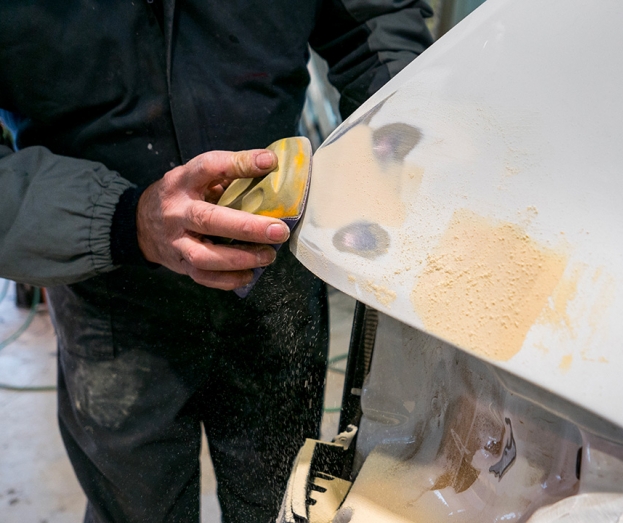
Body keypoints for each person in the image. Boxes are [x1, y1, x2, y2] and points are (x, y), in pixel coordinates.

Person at [0, 2, 433, 521]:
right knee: (137, 511)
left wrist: (398, 138)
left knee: (279, 501)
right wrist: (123, 220)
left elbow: (371, 22)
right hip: (109, 281)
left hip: (274, 269)